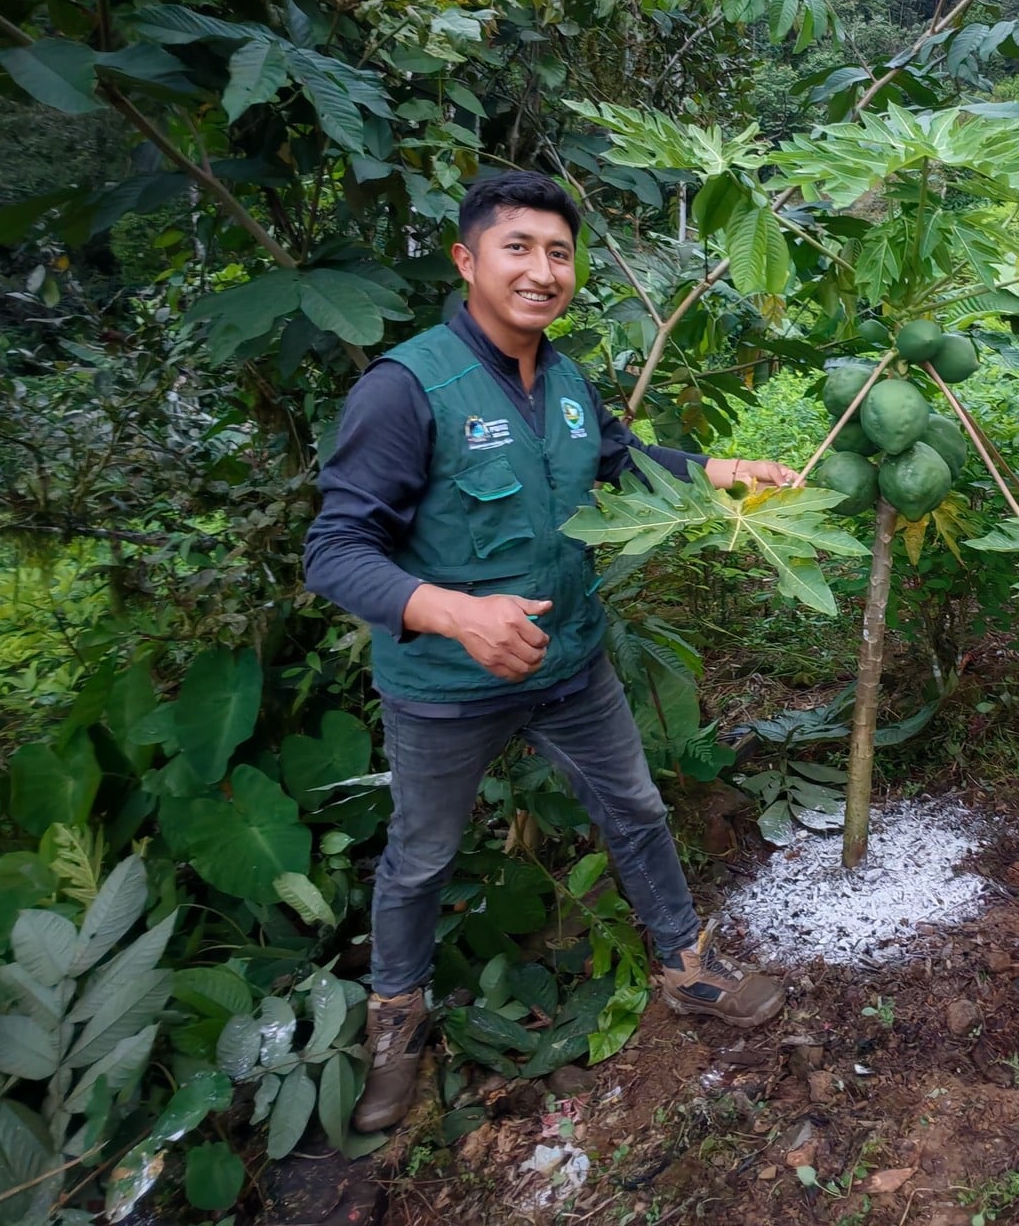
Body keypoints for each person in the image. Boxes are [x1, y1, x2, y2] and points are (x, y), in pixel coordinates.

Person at [304, 171, 800, 1132]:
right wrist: (453, 613)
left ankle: (687, 968)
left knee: (637, 811)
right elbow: (334, 552)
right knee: (419, 859)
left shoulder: (565, 379)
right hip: (446, 687)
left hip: (571, 663)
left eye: (559, 252)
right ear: (468, 261)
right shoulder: (405, 390)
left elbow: (616, 463)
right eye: (518, 248)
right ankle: (397, 1025)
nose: (542, 271)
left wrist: (717, 473)